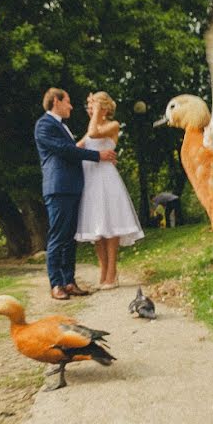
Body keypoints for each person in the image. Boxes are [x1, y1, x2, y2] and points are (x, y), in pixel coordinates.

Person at [35, 88, 117, 300]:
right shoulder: (44, 125)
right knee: (57, 237)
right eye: (68, 102)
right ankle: (56, 284)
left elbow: (77, 145)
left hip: (72, 187)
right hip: (58, 187)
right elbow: (67, 150)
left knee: (69, 238)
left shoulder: (63, 127)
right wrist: (97, 155)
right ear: (56, 101)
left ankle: (69, 282)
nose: (71, 106)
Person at [75, 91, 144, 288]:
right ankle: (103, 270)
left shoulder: (113, 125)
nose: (89, 109)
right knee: (97, 228)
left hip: (106, 179)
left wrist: (96, 112)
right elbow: (76, 148)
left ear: (104, 108)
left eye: (93, 106)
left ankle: (112, 271)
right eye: (90, 107)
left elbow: (94, 134)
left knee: (111, 226)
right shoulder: (90, 128)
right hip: (91, 181)